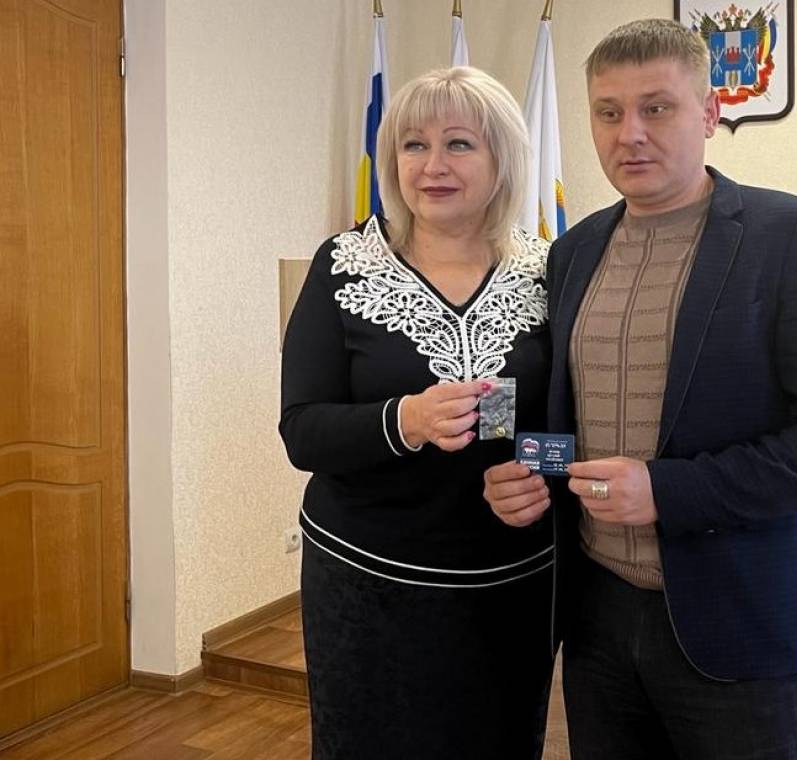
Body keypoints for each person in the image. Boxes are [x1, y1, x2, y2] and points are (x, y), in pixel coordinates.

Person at [483, 19, 797, 760]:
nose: (629, 133)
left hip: (741, 623)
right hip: (597, 619)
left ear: (708, 114)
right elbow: (572, 417)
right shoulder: (572, 251)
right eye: (608, 112)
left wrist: (668, 491)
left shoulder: (788, 234)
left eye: (656, 108)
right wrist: (521, 473)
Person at [279, 67, 555, 759]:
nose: (432, 165)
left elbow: (566, 421)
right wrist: (405, 420)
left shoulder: (550, 271)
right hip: (368, 585)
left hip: (509, 588)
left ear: (502, 158)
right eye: (413, 144)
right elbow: (303, 431)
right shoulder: (344, 264)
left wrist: (538, 473)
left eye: (459, 143)